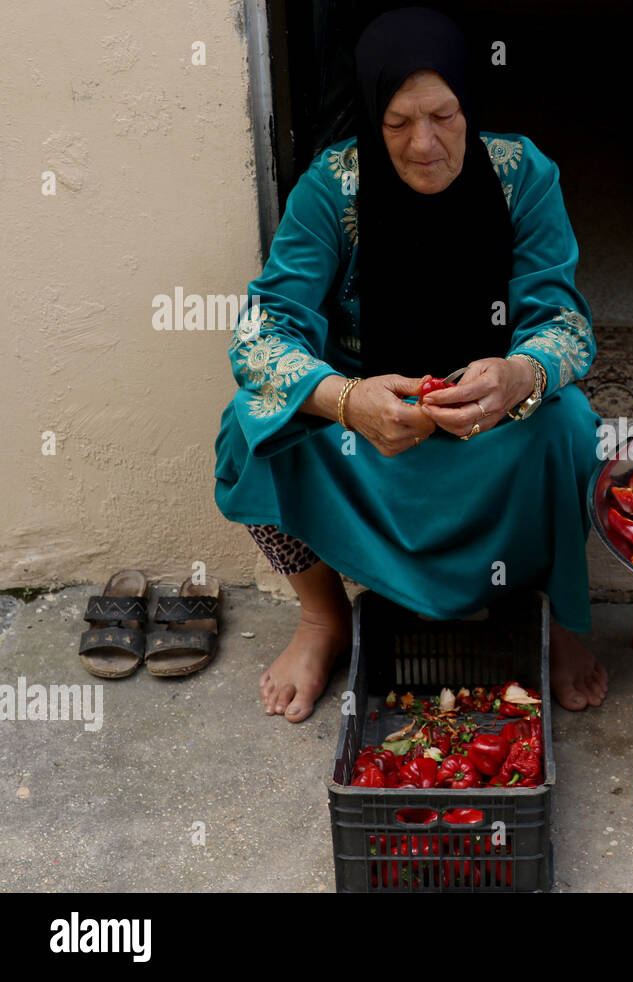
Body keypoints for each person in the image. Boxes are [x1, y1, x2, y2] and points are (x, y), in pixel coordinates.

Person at [213, 6, 608, 722]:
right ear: (371, 114)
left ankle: (552, 617)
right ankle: (323, 618)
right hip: (370, 435)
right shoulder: (331, 189)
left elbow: (565, 325)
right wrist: (345, 399)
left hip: (493, 430)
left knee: (573, 429)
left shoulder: (523, 176)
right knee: (249, 430)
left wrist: (518, 376)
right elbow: (259, 337)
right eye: (398, 123)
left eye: (444, 116)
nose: (425, 144)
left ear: (469, 104)